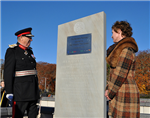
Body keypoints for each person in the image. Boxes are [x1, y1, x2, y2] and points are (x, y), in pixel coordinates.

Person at [105, 21, 140, 118]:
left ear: (119, 31)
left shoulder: (126, 49)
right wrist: (108, 88)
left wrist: (110, 92)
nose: (111, 36)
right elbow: (114, 74)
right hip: (120, 91)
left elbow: (120, 74)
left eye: (113, 32)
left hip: (126, 94)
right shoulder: (120, 49)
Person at [4, 27, 40, 118]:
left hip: (33, 91)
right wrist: (9, 91)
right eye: (29, 37)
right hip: (20, 92)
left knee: (33, 115)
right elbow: (8, 72)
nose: (31, 40)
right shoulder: (12, 51)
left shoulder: (29, 51)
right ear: (21, 37)